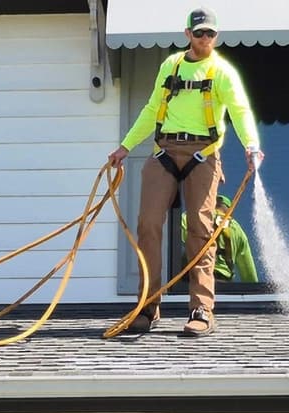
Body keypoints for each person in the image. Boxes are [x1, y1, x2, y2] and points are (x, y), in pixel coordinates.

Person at [108, 6, 264, 337]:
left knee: (200, 231)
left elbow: (240, 110)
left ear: (216, 36)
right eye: (199, 33)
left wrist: (251, 145)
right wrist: (125, 147)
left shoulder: (222, 72)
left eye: (210, 33)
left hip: (203, 154)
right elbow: (152, 109)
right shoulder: (171, 66)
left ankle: (201, 309)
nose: (204, 38)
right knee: (147, 224)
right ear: (187, 34)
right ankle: (147, 307)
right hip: (163, 152)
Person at [181, 195, 258, 283]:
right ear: (229, 211)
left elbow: (171, 238)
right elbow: (249, 274)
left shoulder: (190, 218)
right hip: (224, 285)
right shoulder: (238, 230)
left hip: (195, 281)